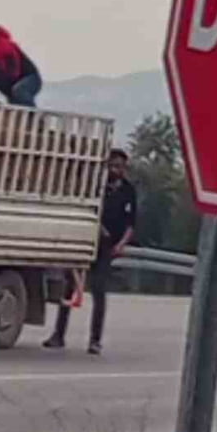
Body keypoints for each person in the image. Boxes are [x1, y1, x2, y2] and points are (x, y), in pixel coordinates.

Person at [44, 147, 137, 355]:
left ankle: (95, 340)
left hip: (108, 247)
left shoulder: (128, 191)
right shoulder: (96, 187)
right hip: (87, 241)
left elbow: (131, 223)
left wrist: (121, 244)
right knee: (69, 287)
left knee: (99, 291)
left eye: (120, 167)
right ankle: (58, 335)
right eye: (112, 165)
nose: (116, 170)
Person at [0, 18, 42, 107]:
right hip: (12, 82)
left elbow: (14, 69)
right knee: (12, 94)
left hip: (29, 78)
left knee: (19, 91)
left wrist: (3, 81)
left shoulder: (3, 44)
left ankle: (33, 117)